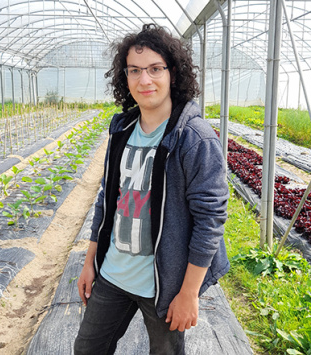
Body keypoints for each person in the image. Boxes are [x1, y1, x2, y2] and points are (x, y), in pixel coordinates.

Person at [74, 23, 229, 355]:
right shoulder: (122, 129)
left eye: (155, 69)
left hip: (164, 283)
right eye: (135, 71)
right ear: (125, 77)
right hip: (113, 273)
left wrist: (188, 293)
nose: (145, 80)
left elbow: (210, 219)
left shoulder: (194, 138)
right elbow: (107, 198)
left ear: (172, 73)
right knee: (87, 349)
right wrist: (90, 262)